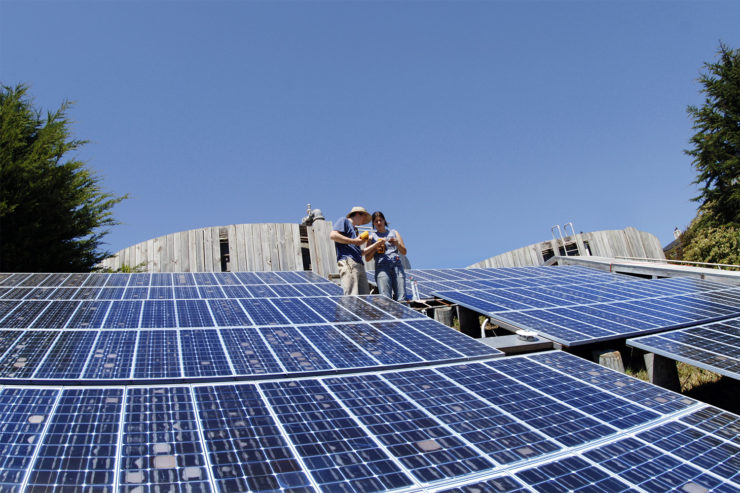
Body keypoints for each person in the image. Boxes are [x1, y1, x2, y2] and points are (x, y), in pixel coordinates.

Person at [329, 206, 373, 295]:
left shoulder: (355, 230)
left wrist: (374, 245)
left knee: (365, 300)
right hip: (349, 262)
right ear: (358, 214)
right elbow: (333, 235)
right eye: (364, 217)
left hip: (359, 264)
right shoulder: (344, 221)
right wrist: (353, 241)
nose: (363, 221)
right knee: (352, 297)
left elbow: (360, 253)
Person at [365, 211, 407, 301]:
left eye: (380, 220)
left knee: (401, 297)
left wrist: (396, 243)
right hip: (382, 268)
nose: (379, 223)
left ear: (384, 221)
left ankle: (401, 314)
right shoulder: (371, 237)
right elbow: (367, 258)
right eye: (376, 221)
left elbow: (404, 251)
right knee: (386, 299)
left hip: (397, 266)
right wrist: (376, 248)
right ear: (373, 223)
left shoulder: (394, 233)